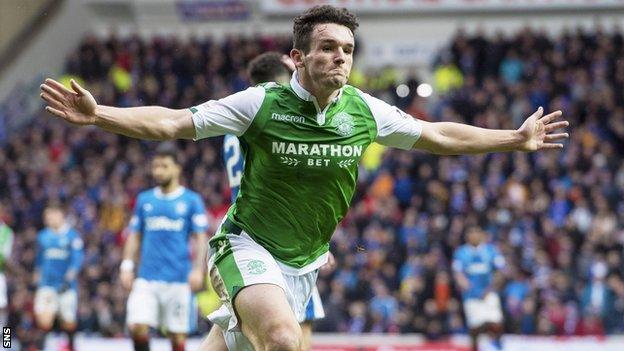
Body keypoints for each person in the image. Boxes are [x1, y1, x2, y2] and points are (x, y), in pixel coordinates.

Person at [39, 5, 568, 350]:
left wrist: (513, 138)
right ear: (298, 56)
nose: (340, 57)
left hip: (305, 262)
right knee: (285, 341)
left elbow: (441, 137)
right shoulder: (259, 104)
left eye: (347, 50)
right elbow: (174, 123)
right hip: (244, 245)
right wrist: (101, 114)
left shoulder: (363, 111)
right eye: (327, 47)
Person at [222, 51, 333, 351]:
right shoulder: (278, 119)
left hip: (244, 237)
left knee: (229, 338)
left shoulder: (238, 119)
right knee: (293, 334)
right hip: (280, 240)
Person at [120, 142, 209, 351]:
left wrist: (198, 269)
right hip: (146, 278)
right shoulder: (144, 200)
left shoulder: (191, 200)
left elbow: (201, 238)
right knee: (136, 326)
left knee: (177, 338)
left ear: (177, 168)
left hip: (178, 279)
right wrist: (126, 265)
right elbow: (135, 235)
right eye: (156, 166)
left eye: (164, 166)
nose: (158, 171)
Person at [34, 203, 84, 351]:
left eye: (50, 215)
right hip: (47, 284)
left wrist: (68, 280)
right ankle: (7, 344)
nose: (47, 219)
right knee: (44, 321)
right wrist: (36, 278)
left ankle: (70, 346)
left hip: (66, 287)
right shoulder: (43, 236)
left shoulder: (72, 236)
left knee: (68, 322)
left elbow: (77, 262)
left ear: (60, 215)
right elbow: (39, 260)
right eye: (46, 216)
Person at [452, 226, 505, 351]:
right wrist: (471, 289)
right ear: (467, 236)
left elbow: (501, 271)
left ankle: (497, 346)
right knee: (475, 327)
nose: (474, 235)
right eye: (471, 233)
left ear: (481, 235)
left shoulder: (491, 250)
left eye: (476, 232)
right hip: (471, 295)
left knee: (496, 323)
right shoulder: (460, 252)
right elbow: (458, 274)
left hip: (489, 292)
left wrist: (490, 288)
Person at [0, 202, 14, 327]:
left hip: (0, 274)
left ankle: (5, 342)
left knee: (3, 309)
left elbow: (4, 256)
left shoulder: (6, 232)